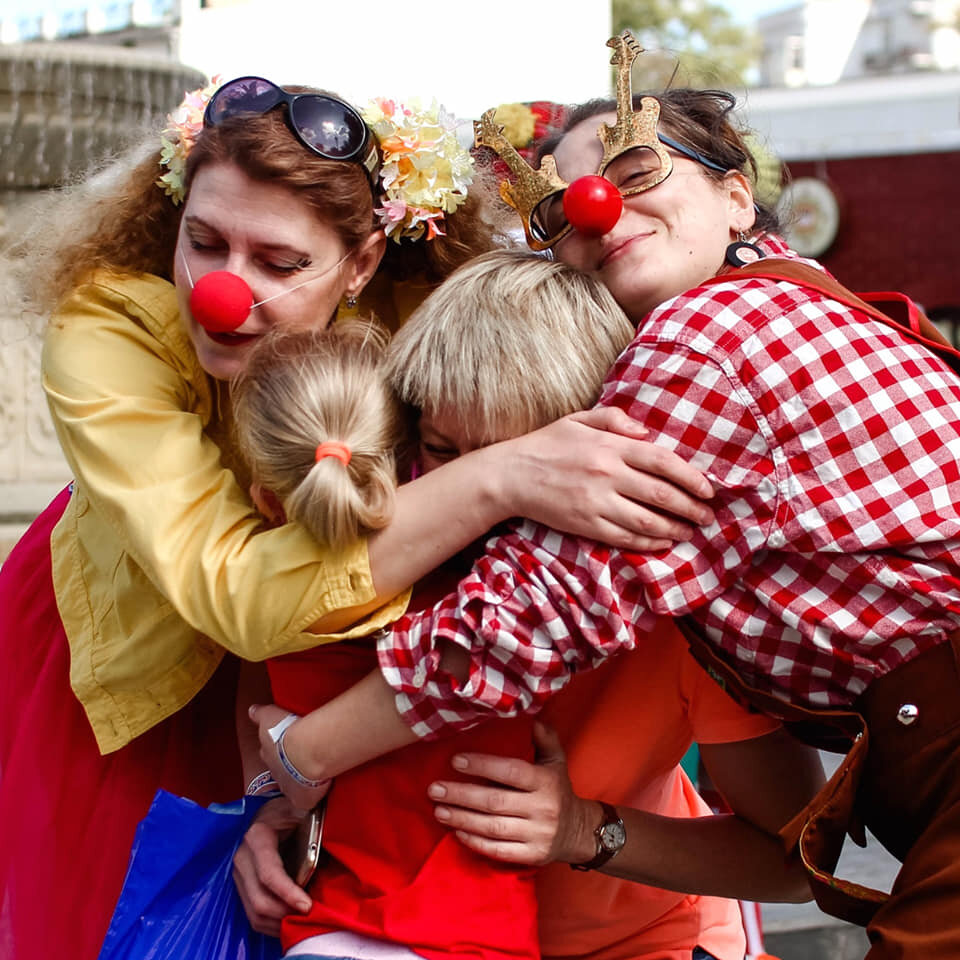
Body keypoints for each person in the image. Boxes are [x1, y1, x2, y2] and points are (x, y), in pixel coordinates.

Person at [249, 34, 960, 960]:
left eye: (637, 166)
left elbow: (530, 612)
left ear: (735, 194)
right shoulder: (800, 305)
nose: (598, 206)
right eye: (562, 213)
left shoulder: (711, 334)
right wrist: (289, 815)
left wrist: (298, 761)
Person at [0, 72, 716, 960]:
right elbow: (229, 594)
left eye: (279, 262)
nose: (222, 291)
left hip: (324, 670)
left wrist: (292, 786)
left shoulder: (418, 312)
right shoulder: (110, 324)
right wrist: (503, 477)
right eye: (203, 241)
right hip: (143, 646)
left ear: (364, 262)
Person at [242, 251, 824, 960]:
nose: (478, 497)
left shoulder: (679, 609)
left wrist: (585, 831)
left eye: (526, 464)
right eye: (442, 451)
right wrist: (269, 819)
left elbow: (797, 862)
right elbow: (273, 719)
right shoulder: (373, 559)